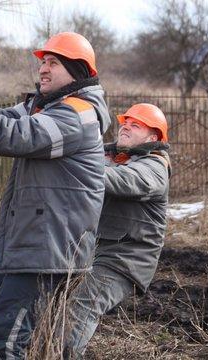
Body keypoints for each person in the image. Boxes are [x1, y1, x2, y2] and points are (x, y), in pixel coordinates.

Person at [0, 32, 111, 359]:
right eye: (43, 62)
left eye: (53, 63)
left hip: (49, 251)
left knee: (2, 340)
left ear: (77, 71)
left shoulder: (77, 115)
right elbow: (4, 119)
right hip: (26, 243)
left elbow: (11, 137)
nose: (43, 69)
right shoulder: (46, 106)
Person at [64, 103, 171, 359]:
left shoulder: (154, 167)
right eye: (125, 123)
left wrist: (84, 167)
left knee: (83, 304)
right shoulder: (117, 157)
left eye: (136, 125)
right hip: (97, 251)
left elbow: (123, 180)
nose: (126, 127)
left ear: (153, 138)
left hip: (126, 259)